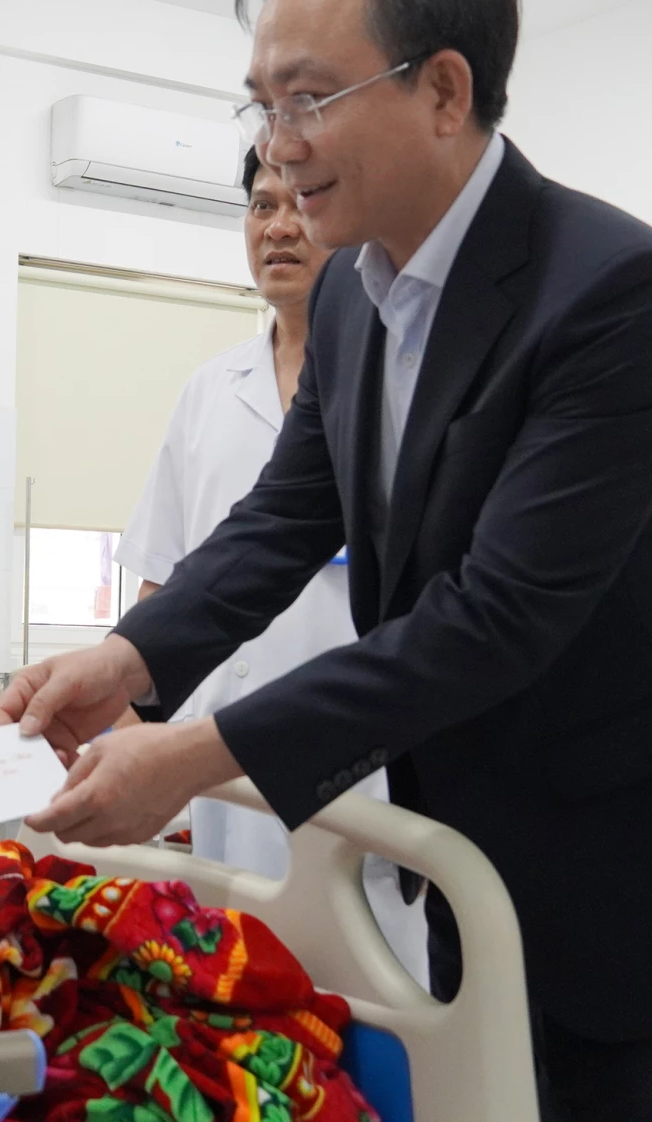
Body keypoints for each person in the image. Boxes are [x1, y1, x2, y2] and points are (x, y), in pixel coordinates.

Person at [0, 0, 652, 1121]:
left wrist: (197, 756)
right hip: (477, 843)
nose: (278, 147)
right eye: (260, 104)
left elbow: (498, 614)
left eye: (307, 98)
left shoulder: (614, 292)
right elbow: (283, 518)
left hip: (643, 863)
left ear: (445, 89)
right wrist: (127, 662)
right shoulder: (354, 293)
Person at [116, 148, 426, 985]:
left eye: (299, 203)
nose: (280, 227)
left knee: (378, 993)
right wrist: (130, 712)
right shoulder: (208, 390)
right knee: (242, 989)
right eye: (261, 206)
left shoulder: (403, 380)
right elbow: (165, 577)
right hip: (224, 761)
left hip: (369, 758)